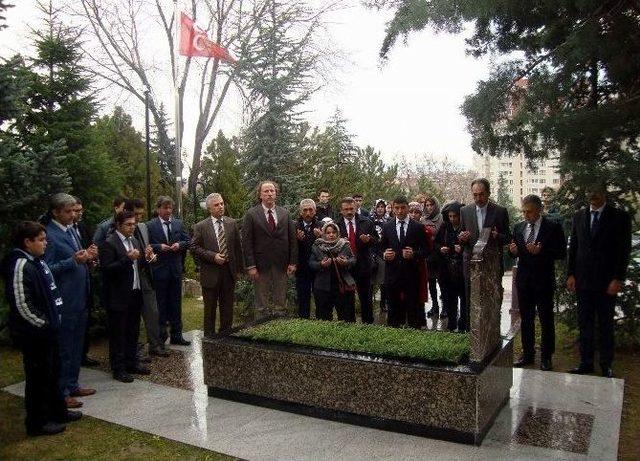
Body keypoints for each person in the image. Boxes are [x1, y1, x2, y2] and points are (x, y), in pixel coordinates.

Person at [3, 221, 82, 436]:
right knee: (38, 378)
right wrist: (45, 325)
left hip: (51, 331)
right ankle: (38, 422)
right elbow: (23, 304)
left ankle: (58, 411)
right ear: (27, 242)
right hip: (36, 335)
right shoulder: (20, 264)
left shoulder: (38, 262)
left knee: (54, 373)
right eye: (41, 240)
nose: (45, 243)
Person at [567, 182, 632, 378]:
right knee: (585, 323)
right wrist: (570, 274)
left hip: (606, 283)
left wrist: (618, 278)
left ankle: (606, 364)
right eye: (589, 192)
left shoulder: (619, 217)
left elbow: (624, 251)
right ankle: (586, 362)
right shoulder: (579, 216)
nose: (593, 195)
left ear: (604, 193)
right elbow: (574, 247)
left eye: (596, 192)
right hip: (583, 281)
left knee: (605, 324)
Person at [44, 193, 97, 409]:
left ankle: (73, 383)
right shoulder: (49, 235)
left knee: (76, 345)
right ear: (56, 212)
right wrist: (73, 260)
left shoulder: (72, 230)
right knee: (64, 347)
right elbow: (46, 269)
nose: (73, 215)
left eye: (74, 211)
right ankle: (62, 391)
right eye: (68, 211)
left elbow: (78, 259)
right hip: (65, 301)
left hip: (80, 297)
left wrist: (88, 257)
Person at [508, 195, 567, 370]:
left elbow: (561, 252)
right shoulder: (518, 227)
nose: (526, 215)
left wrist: (541, 251)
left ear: (539, 210)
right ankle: (528, 354)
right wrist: (513, 251)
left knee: (546, 318)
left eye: (529, 212)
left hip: (544, 280)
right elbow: (515, 253)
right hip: (524, 280)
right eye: (524, 211)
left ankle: (546, 357)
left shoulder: (552, 227)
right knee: (526, 318)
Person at [100, 211, 153, 382]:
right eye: (128, 224)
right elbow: (107, 269)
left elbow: (139, 265)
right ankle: (118, 368)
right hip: (118, 296)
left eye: (134, 224)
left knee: (133, 330)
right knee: (118, 333)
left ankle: (131, 362)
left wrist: (148, 257)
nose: (132, 227)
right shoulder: (110, 243)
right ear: (118, 225)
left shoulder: (135, 241)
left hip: (135, 292)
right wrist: (127, 259)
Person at [242, 181, 298, 318]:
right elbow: (247, 242)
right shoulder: (251, 214)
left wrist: (292, 262)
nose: (269, 194)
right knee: (261, 305)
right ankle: (261, 331)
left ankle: (279, 330)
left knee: (280, 303)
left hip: (282, 264)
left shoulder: (284, 213)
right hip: (260, 266)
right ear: (260, 195)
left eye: (272, 191)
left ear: (276, 193)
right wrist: (251, 266)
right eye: (266, 191)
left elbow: (292, 239)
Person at [459, 178, 511, 323]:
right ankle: (473, 336)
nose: (478, 198)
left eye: (481, 194)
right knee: (472, 300)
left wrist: (497, 236)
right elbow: (461, 239)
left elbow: (508, 237)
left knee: (492, 300)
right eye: (475, 195)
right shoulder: (465, 211)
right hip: (471, 263)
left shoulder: (500, 211)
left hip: (492, 264)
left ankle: (492, 334)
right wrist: (462, 238)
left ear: (488, 193)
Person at [191, 193, 243, 335]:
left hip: (228, 272)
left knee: (227, 308)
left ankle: (226, 335)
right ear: (209, 208)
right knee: (210, 309)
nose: (221, 207)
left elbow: (238, 248)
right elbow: (194, 247)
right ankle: (209, 338)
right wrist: (213, 256)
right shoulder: (201, 226)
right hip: (210, 273)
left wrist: (239, 270)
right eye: (216, 205)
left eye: (222, 203)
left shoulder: (231, 223)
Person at [123, 199, 168, 357]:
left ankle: (154, 345)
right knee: (132, 317)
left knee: (152, 311)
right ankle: (132, 351)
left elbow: (145, 249)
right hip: (128, 279)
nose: (138, 219)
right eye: (136, 215)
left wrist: (150, 255)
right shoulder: (118, 230)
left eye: (141, 215)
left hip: (144, 274)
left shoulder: (142, 227)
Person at [146, 196, 191, 346]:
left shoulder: (178, 223)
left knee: (176, 303)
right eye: (165, 208)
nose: (168, 211)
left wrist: (180, 244)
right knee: (161, 304)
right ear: (158, 209)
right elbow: (146, 245)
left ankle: (177, 335)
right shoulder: (151, 225)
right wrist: (159, 247)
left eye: (170, 208)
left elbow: (188, 241)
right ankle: (161, 336)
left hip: (175, 270)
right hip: (159, 270)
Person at [379, 197, 428, 328]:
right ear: (393, 208)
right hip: (392, 275)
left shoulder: (418, 227)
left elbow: (426, 250)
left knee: (413, 311)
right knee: (393, 313)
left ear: (407, 208)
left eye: (402, 208)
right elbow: (380, 247)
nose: (400, 211)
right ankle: (393, 340)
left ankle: (413, 341)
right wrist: (384, 254)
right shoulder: (387, 226)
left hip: (411, 275)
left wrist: (414, 254)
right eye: (397, 208)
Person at [337, 197, 378, 324]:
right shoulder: (336, 224)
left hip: (363, 267)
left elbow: (376, 240)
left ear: (356, 208)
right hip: (346, 268)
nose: (349, 212)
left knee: (366, 299)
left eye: (351, 209)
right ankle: (350, 326)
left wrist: (369, 240)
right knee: (347, 300)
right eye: (346, 209)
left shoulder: (367, 222)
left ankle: (368, 327)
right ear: (341, 210)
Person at [71, 197, 100, 368]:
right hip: (73, 281)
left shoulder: (82, 227)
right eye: (75, 210)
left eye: (81, 210)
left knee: (86, 317)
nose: (79, 213)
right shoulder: (61, 231)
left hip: (86, 276)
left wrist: (93, 255)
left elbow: (91, 246)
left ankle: (83, 354)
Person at [309, 222, 356, 321]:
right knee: (323, 318)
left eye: (334, 232)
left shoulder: (344, 244)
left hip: (342, 285)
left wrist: (346, 262)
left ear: (337, 233)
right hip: (323, 286)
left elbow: (353, 260)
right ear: (324, 234)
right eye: (328, 232)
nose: (331, 235)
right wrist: (321, 264)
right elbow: (311, 263)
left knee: (346, 318)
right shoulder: (317, 246)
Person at [435, 201, 466, 331]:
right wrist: (441, 249)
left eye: (455, 216)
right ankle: (452, 323)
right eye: (450, 216)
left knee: (464, 299)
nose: (453, 219)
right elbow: (435, 244)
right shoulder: (444, 227)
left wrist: (462, 249)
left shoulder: (466, 227)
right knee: (450, 299)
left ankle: (463, 324)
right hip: (447, 270)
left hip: (462, 270)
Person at [294, 199, 322, 319]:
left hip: (318, 269)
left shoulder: (321, 226)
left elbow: (329, 247)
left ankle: (321, 323)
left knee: (320, 299)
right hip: (302, 269)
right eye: (305, 210)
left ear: (315, 211)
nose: (308, 213)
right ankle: (304, 322)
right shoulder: (295, 226)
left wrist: (321, 238)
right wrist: (297, 240)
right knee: (303, 299)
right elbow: (289, 247)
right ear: (300, 212)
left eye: (311, 210)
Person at [422, 196, 444, 319]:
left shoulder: (441, 219)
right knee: (431, 283)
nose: (429, 207)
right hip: (428, 255)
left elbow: (443, 236)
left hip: (439, 254)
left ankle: (445, 307)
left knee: (441, 282)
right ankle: (434, 305)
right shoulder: (423, 219)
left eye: (432, 205)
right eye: (427, 205)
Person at [371, 199, 390, 314]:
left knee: (384, 280)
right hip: (372, 252)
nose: (380, 209)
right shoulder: (369, 220)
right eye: (378, 206)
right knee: (372, 280)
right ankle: (370, 301)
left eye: (382, 207)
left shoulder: (389, 220)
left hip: (384, 253)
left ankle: (384, 302)